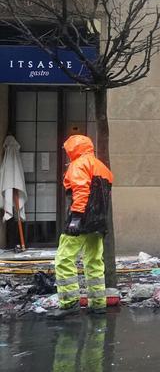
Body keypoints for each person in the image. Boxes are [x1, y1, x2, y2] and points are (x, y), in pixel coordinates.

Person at [49, 135, 114, 318]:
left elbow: (81, 190)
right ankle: (98, 304)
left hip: (82, 220)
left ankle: (69, 304)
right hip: (99, 223)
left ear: (73, 149)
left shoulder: (78, 165)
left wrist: (76, 218)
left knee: (64, 259)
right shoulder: (102, 167)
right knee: (94, 262)